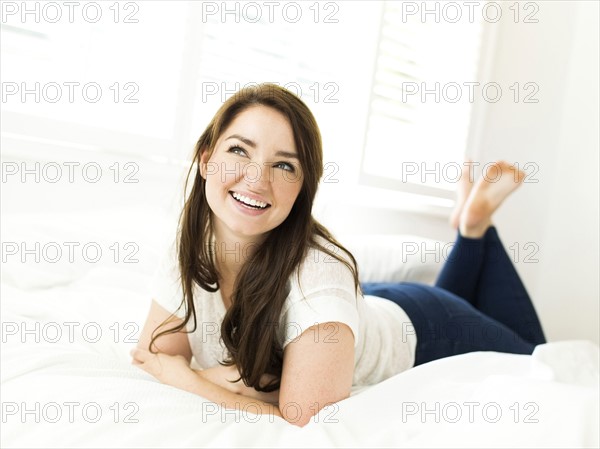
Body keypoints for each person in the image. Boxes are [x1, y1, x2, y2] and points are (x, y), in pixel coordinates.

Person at [131, 83, 546, 427]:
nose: (256, 179)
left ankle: (473, 229)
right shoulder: (187, 247)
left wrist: (197, 381)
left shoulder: (318, 273)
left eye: (285, 166)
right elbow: (155, 356)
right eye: (239, 150)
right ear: (205, 159)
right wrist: (229, 379)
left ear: (302, 189)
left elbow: (303, 417)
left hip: (426, 327)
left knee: (541, 357)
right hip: (358, 308)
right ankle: (469, 228)